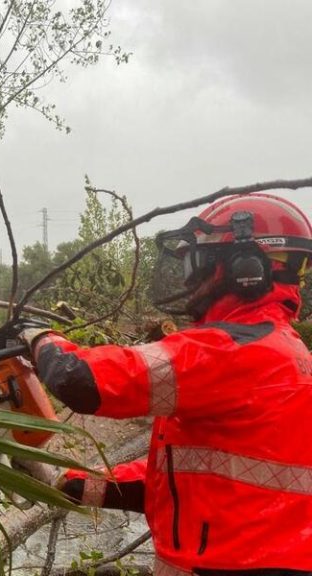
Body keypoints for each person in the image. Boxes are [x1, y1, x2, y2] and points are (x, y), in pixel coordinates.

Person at [16, 193, 312, 575]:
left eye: (199, 265)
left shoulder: (235, 350)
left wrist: (39, 337)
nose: (192, 280)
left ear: (246, 267)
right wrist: (71, 483)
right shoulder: (282, 350)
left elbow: (82, 380)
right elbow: (179, 475)